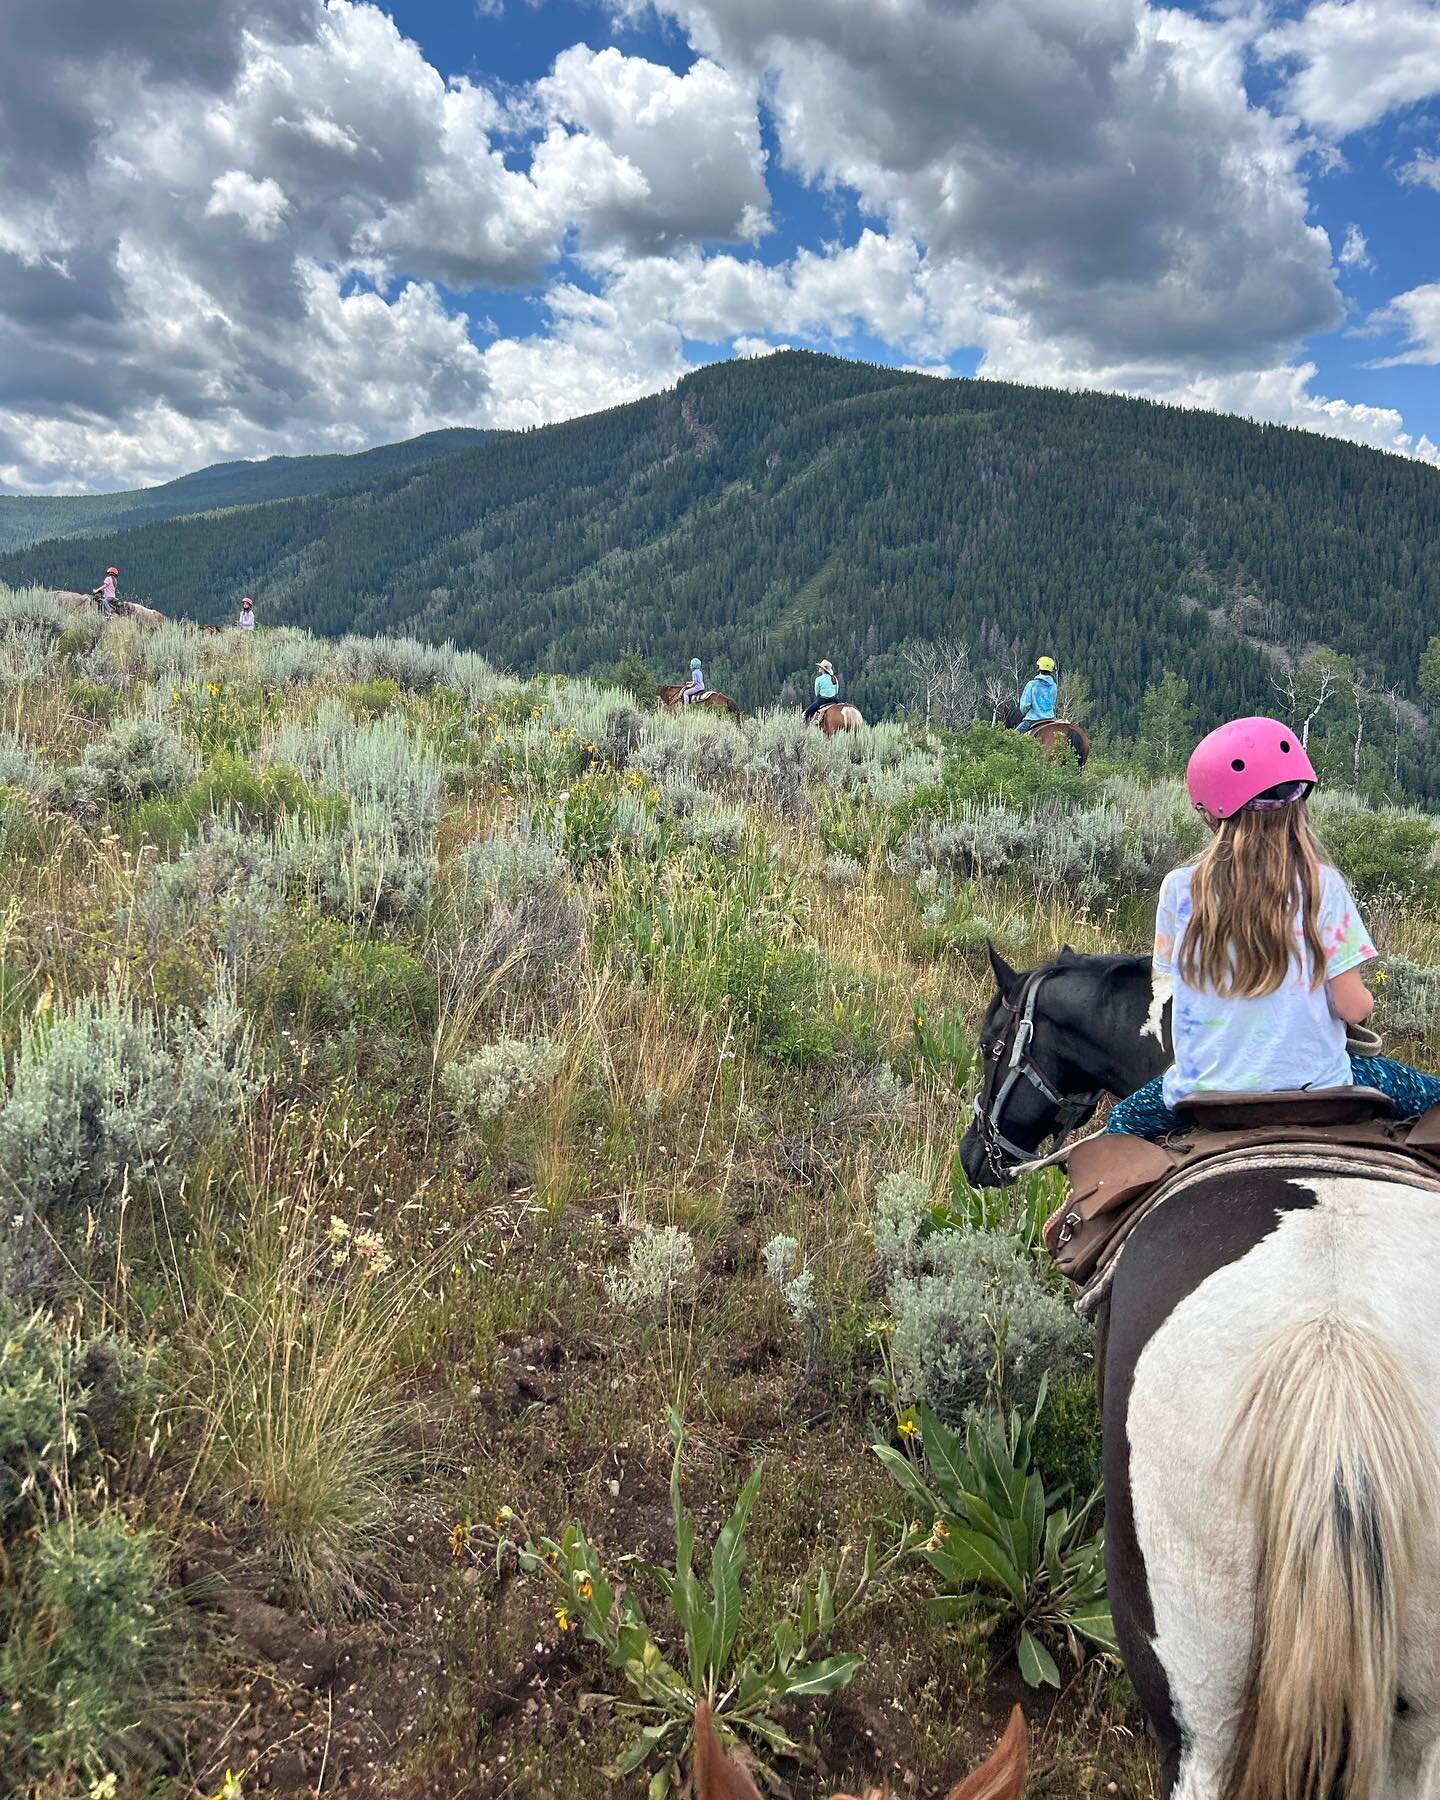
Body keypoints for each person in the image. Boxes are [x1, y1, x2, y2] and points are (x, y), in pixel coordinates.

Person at [1107, 715, 1440, 1139]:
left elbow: (1170, 987)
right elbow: (1354, 1008)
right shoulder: (1324, 887)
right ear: (1301, 799)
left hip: (1204, 1093)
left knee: (1121, 1128)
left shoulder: (1178, 889)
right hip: (1319, 1087)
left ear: (1209, 813)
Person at [1015, 655, 1058, 732]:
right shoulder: (1054, 686)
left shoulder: (1032, 684)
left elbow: (1024, 706)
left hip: (1033, 719)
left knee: (1011, 737)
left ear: (1039, 668)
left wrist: (1024, 713)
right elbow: (1053, 703)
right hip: (1050, 719)